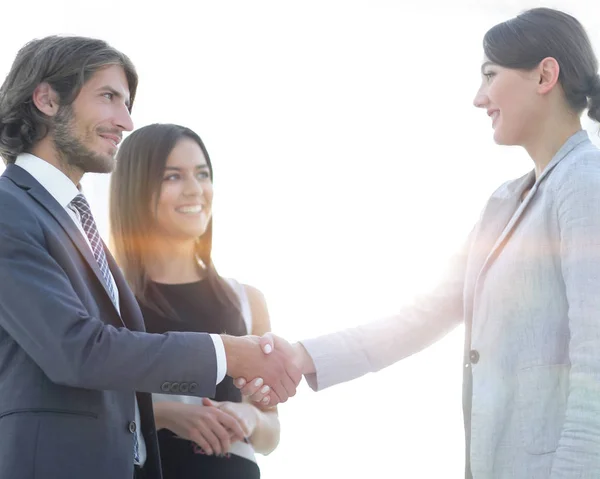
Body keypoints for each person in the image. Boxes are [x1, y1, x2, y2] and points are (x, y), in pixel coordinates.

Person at [244, 7, 600, 478]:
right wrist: (302, 356)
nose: (479, 98)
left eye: (490, 75)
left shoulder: (585, 183)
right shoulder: (502, 203)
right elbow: (420, 318)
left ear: (545, 75)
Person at [0, 36, 300, 479]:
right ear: (46, 99)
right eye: (109, 97)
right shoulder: (10, 210)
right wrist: (227, 354)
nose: (125, 120)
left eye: (127, 102)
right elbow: (77, 351)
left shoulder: (73, 221)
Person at [109, 123, 280, 479]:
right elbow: (89, 410)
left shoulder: (247, 301)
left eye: (202, 175)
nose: (195, 190)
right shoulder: (109, 297)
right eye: (173, 177)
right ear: (137, 188)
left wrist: (248, 416)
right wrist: (168, 414)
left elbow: (271, 433)